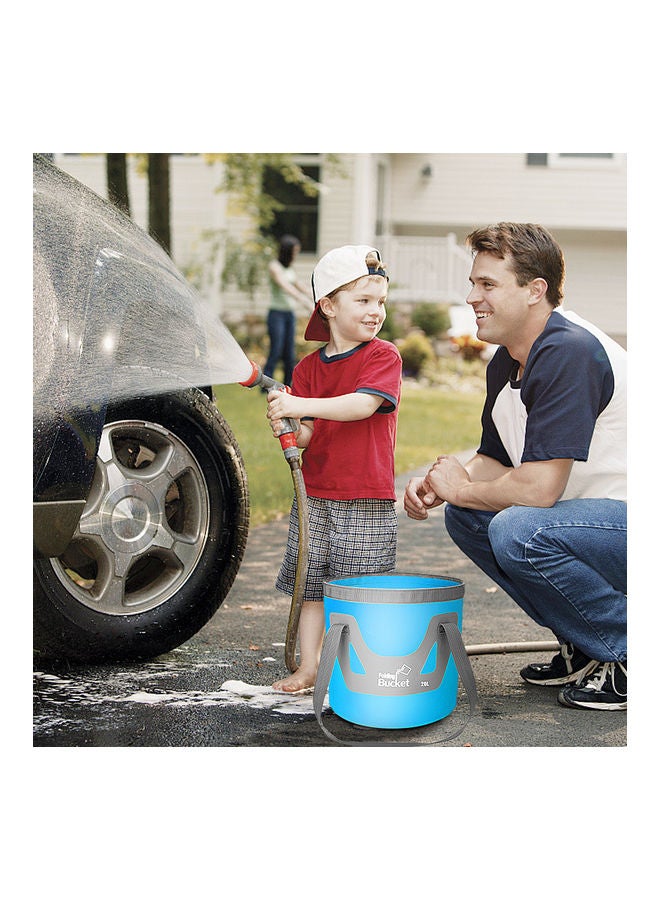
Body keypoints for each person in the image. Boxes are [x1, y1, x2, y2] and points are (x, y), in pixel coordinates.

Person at [403, 223, 627, 711]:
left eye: (487, 284)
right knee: (469, 516)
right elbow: (494, 460)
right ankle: (584, 641)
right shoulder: (509, 359)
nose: (471, 297)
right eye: (473, 283)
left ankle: (628, 650)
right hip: (596, 522)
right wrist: (445, 485)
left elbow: (541, 489)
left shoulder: (569, 350)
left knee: (520, 530)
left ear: (534, 291)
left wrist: (463, 489)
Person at [266, 245, 402, 692]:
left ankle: (355, 669)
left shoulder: (382, 357)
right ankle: (310, 666)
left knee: (358, 591)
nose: (375, 311)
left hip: (365, 496)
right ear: (328, 305)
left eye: (380, 301)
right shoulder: (306, 368)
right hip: (315, 495)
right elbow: (309, 433)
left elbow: (363, 405)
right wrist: (289, 424)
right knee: (311, 587)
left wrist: (299, 403)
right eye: (363, 300)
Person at [263, 235, 314, 387]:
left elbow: (299, 285)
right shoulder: (274, 267)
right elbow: (285, 286)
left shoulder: (289, 268)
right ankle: (265, 384)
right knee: (276, 350)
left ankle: (286, 385)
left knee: (289, 353)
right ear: (287, 251)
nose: (296, 255)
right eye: (294, 251)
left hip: (289, 315)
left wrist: (319, 297)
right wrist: (304, 302)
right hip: (276, 314)